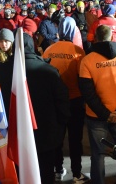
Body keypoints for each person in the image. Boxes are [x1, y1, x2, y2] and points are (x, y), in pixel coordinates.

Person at [78, 25, 116, 184]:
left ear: (95, 39)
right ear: (112, 38)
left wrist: (105, 114)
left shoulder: (87, 61)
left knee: (98, 153)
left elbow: (88, 93)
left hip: (96, 116)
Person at [42, 17, 89, 183]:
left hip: (55, 102)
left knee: (57, 138)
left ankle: (58, 169)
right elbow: (83, 78)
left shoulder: (49, 50)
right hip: (75, 101)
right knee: (75, 140)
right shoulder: (78, 51)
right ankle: (76, 173)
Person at [23, 32, 70, 184]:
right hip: (47, 133)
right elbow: (62, 100)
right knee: (46, 172)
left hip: (19, 135)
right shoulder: (49, 71)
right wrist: (62, 124)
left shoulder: (4, 70)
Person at [0, 28, 15, 118]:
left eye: (6, 41)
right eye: (1, 41)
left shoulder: (15, 56)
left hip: (12, 90)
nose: (3, 44)